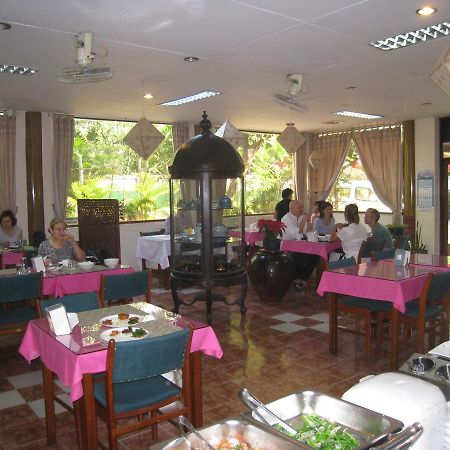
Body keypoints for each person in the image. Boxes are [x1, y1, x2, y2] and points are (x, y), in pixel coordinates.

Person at [281, 200, 318, 289]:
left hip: (300, 246)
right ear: (291, 209)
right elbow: (296, 233)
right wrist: (304, 219)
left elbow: (308, 231)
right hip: (289, 247)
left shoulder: (301, 217)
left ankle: (303, 278)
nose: (301, 209)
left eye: (302, 207)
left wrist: (308, 220)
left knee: (315, 255)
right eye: (299, 208)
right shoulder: (285, 219)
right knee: (298, 256)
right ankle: (297, 279)